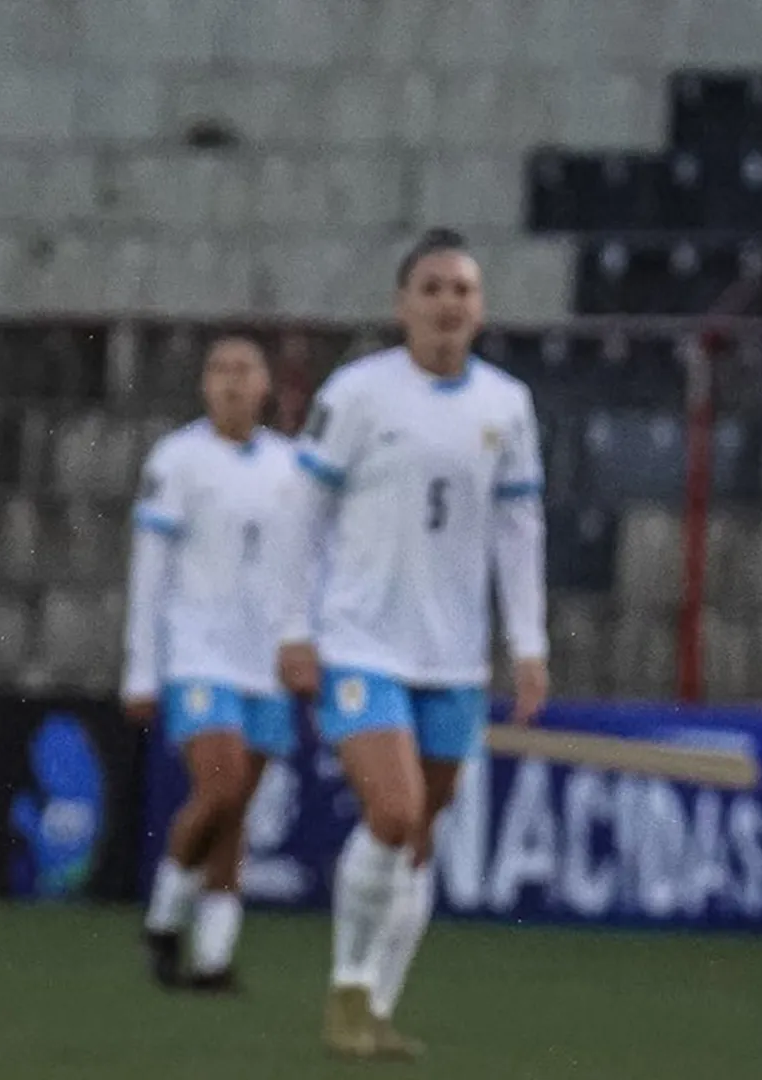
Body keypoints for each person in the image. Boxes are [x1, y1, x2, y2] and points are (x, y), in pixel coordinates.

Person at [273, 228, 550, 1060]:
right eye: (431, 288)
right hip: (363, 643)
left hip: (454, 657)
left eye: (461, 289)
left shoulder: (506, 405)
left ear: (481, 306)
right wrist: (295, 628)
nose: (447, 303)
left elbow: (519, 529)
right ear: (403, 306)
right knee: (393, 815)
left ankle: (378, 1010)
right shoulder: (358, 393)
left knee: (421, 834)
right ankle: (349, 990)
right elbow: (302, 513)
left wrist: (528, 645)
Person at [124, 336, 298, 992]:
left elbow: (308, 567)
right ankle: (165, 919)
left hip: (267, 662)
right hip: (199, 654)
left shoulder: (292, 466)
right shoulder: (178, 460)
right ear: (204, 385)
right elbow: (151, 569)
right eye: (219, 369)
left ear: (265, 386)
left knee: (234, 812)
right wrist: (142, 669)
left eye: (244, 369)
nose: (231, 381)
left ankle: (212, 957)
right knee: (219, 790)